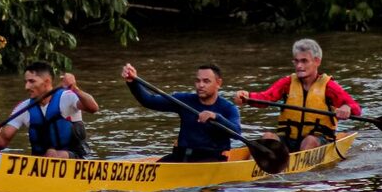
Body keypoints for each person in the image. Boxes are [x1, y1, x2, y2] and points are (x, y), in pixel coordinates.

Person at [233, 38, 361, 151]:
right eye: (296, 61)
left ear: (317, 61)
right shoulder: (287, 83)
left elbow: (355, 107)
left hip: (318, 141)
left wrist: (347, 108)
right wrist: (247, 97)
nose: (299, 66)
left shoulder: (329, 86)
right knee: (267, 136)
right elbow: (266, 98)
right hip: (288, 139)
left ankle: (298, 170)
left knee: (309, 141)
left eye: (304, 61)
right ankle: (261, 164)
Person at [120, 62, 241, 162]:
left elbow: (236, 133)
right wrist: (133, 82)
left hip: (211, 160)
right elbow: (149, 101)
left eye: (206, 81)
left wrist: (216, 117)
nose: (200, 85)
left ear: (218, 83)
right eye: (197, 81)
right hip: (181, 157)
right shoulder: (184, 100)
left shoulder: (228, 108)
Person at [0, 61, 99, 158]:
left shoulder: (67, 97)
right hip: (41, 163)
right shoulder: (23, 108)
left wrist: (75, 89)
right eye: (25, 82)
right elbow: (0, 144)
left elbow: (93, 108)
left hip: (75, 158)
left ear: (47, 82)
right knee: (50, 153)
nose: (26, 87)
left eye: (32, 81)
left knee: (52, 153)